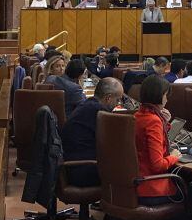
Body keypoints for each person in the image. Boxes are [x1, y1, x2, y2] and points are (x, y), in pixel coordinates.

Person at [61, 78, 124, 187]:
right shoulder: (99, 112)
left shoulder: (87, 105)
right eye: (118, 100)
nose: (118, 103)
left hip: (70, 167)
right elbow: (113, 144)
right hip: (82, 170)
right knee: (127, 173)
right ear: (108, 98)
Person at [134, 75, 181, 205]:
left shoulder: (138, 115)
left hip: (136, 183)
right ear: (159, 95)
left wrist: (164, 122)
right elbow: (157, 165)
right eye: (166, 95)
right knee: (191, 191)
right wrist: (174, 156)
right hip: (151, 187)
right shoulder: (153, 121)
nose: (167, 100)